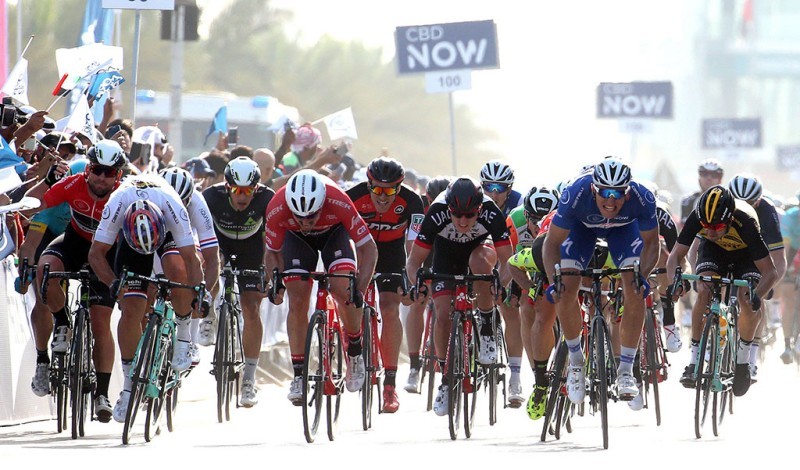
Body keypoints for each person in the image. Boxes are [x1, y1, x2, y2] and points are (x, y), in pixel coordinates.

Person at [543, 157, 659, 405]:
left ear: (628, 192)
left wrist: (643, 275)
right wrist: (555, 277)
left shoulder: (643, 197)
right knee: (566, 290)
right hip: (580, 229)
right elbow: (551, 243)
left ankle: (626, 371)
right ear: (593, 188)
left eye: (618, 193)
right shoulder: (575, 193)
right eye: (604, 192)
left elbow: (651, 245)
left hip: (624, 231)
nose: (610, 200)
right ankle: (576, 363)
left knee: (635, 290)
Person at [23, 140, 125, 422]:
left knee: (102, 322)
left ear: (118, 175)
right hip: (75, 241)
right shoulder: (73, 183)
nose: (102, 178)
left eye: (109, 172)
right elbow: (35, 204)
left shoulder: (124, 194)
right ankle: (63, 324)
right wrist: (46, 180)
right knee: (45, 269)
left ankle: (102, 394)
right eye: (97, 170)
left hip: (105, 253)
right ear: (88, 169)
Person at [88, 173, 203, 422]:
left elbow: (192, 260)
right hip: (132, 242)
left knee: (178, 267)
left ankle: (183, 338)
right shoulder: (116, 205)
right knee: (131, 309)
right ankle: (129, 385)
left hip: (166, 233)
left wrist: (196, 295)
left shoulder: (173, 206)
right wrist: (114, 283)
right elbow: (96, 254)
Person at [264, 170, 378, 405]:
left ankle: (355, 348)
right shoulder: (277, 207)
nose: (306, 222)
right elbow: (272, 253)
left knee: (343, 289)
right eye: (300, 217)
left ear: (322, 204)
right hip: (296, 241)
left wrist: (360, 290)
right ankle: (298, 375)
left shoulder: (338, 200)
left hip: (334, 236)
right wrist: (274, 282)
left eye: (312, 216)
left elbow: (369, 248)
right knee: (296, 300)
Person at [405, 177, 513, 417]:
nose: (463, 221)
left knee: (479, 263)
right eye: (458, 215)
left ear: (480, 210)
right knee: (442, 315)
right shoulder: (437, 212)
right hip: (446, 254)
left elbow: (508, 260)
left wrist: (501, 285)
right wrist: (417, 285)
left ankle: (486, 327)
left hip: (479, 250)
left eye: (470, 216)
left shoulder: (492, 214)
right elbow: (413, 262)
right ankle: (445, 378)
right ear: (449, 209)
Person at [667, 185, 778, 397]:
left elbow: (770, 273)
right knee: (705, 288)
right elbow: (674, 257)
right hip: (713, 251)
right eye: (705, 226)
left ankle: (743, 362)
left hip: (746, 255)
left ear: (729, 220)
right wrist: (674, 282)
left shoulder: (745, 222)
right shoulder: (698, 218)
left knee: (747, 299)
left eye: (716, 226)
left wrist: (757, 295)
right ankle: (694, 361)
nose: (709, 231)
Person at [346, 157, 424, 413]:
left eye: (389, 190)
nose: (382, 195)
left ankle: (389, 385)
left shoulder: (413, 202)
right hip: (359, 250)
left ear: (399, 188)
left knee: (390, 308)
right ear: (368, 184)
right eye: (377, 188)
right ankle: (353, 349)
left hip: (392, 253)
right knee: (351, 300)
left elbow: (414, 246)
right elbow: (340, 237)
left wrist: (412, 278)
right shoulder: (353, 196)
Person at [201, 157, 274, 406]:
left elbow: (272, 241)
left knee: (251, 308)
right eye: (237, 190)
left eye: (248, 190)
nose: (242, 196)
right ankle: (209, 314)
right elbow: (199, 235)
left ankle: (249, 379)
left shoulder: (267, 199)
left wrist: (266, 270)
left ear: (257, 188)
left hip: (251, 249)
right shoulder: (211, 197)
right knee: (208, 270)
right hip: (220, 243)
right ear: (227, 186)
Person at [505, 186, 559, 417]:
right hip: (527, 263)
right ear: (526, 215)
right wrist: (524, 289)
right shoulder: (514, 220)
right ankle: (536, 367)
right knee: (527, 308)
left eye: (543, 219)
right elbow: (508, 260)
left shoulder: (558, 222)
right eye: (534, 219)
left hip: (554, 258)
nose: (538, 224)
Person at [159, 167, 220, 367]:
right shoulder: (153, 196)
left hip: (186, 236)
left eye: (181, 203)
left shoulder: (197, 203)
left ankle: (189, 339)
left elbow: (212, 257)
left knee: (191, 271)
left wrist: (204, 295)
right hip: (158, 233)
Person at [727, 173, 785, 381]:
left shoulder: (767, 213)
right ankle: (714, 339)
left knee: (754, 298)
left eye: (749, 203)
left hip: (756, 257)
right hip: (727, 250)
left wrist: (766, 287)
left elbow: (779, 259)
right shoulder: (721, 203)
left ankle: (750, 359)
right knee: (715, 287)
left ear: (758, 201)